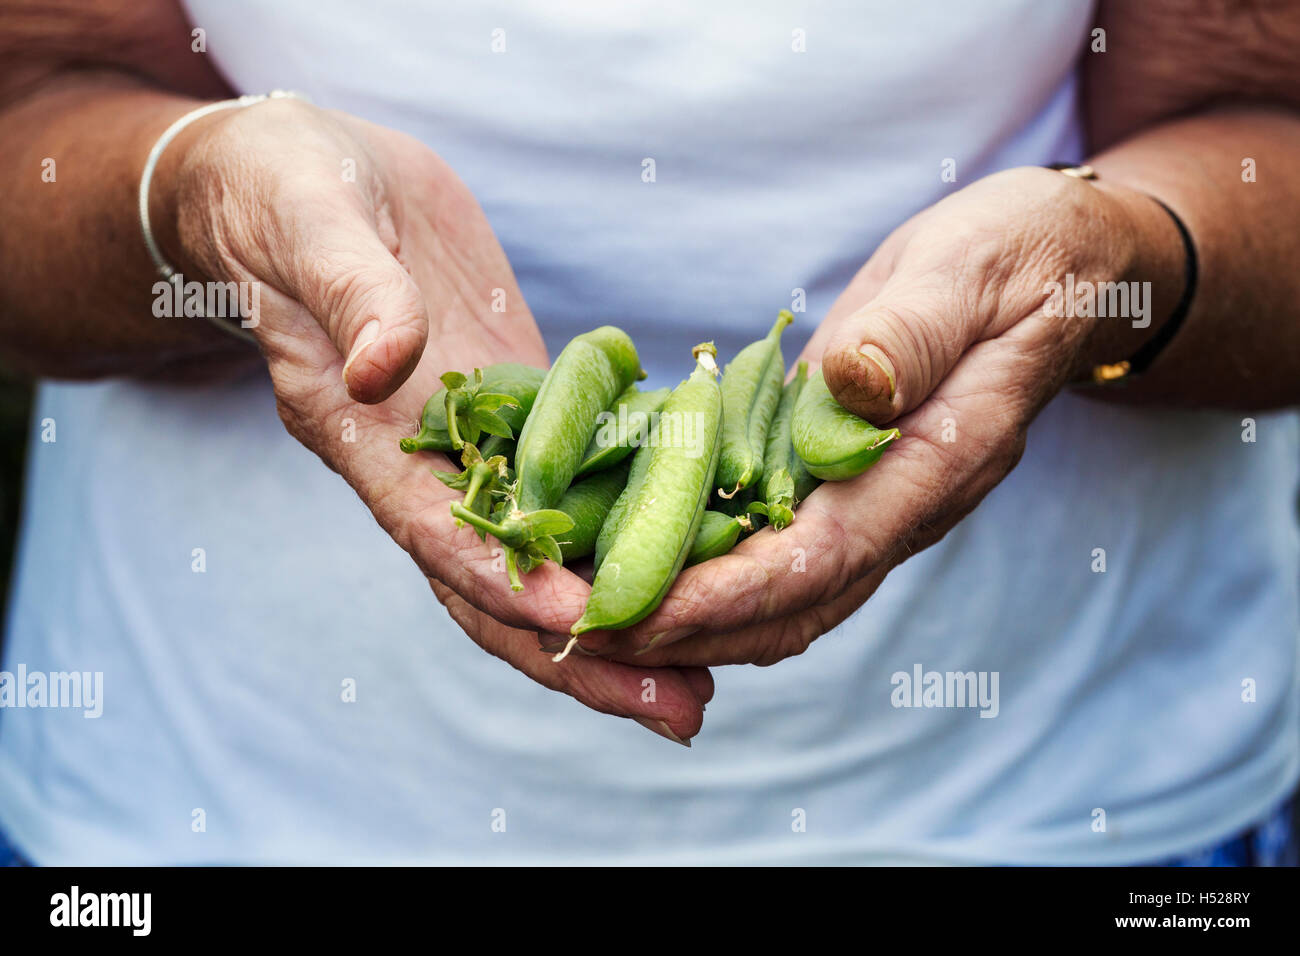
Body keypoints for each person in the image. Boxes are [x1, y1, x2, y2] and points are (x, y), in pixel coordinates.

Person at [0, 0, 1297, 865]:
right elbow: (31, 127)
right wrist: (193, 199)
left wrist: (1120, 265)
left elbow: (1263, 133)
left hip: (1061, 802)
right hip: (214, 808)